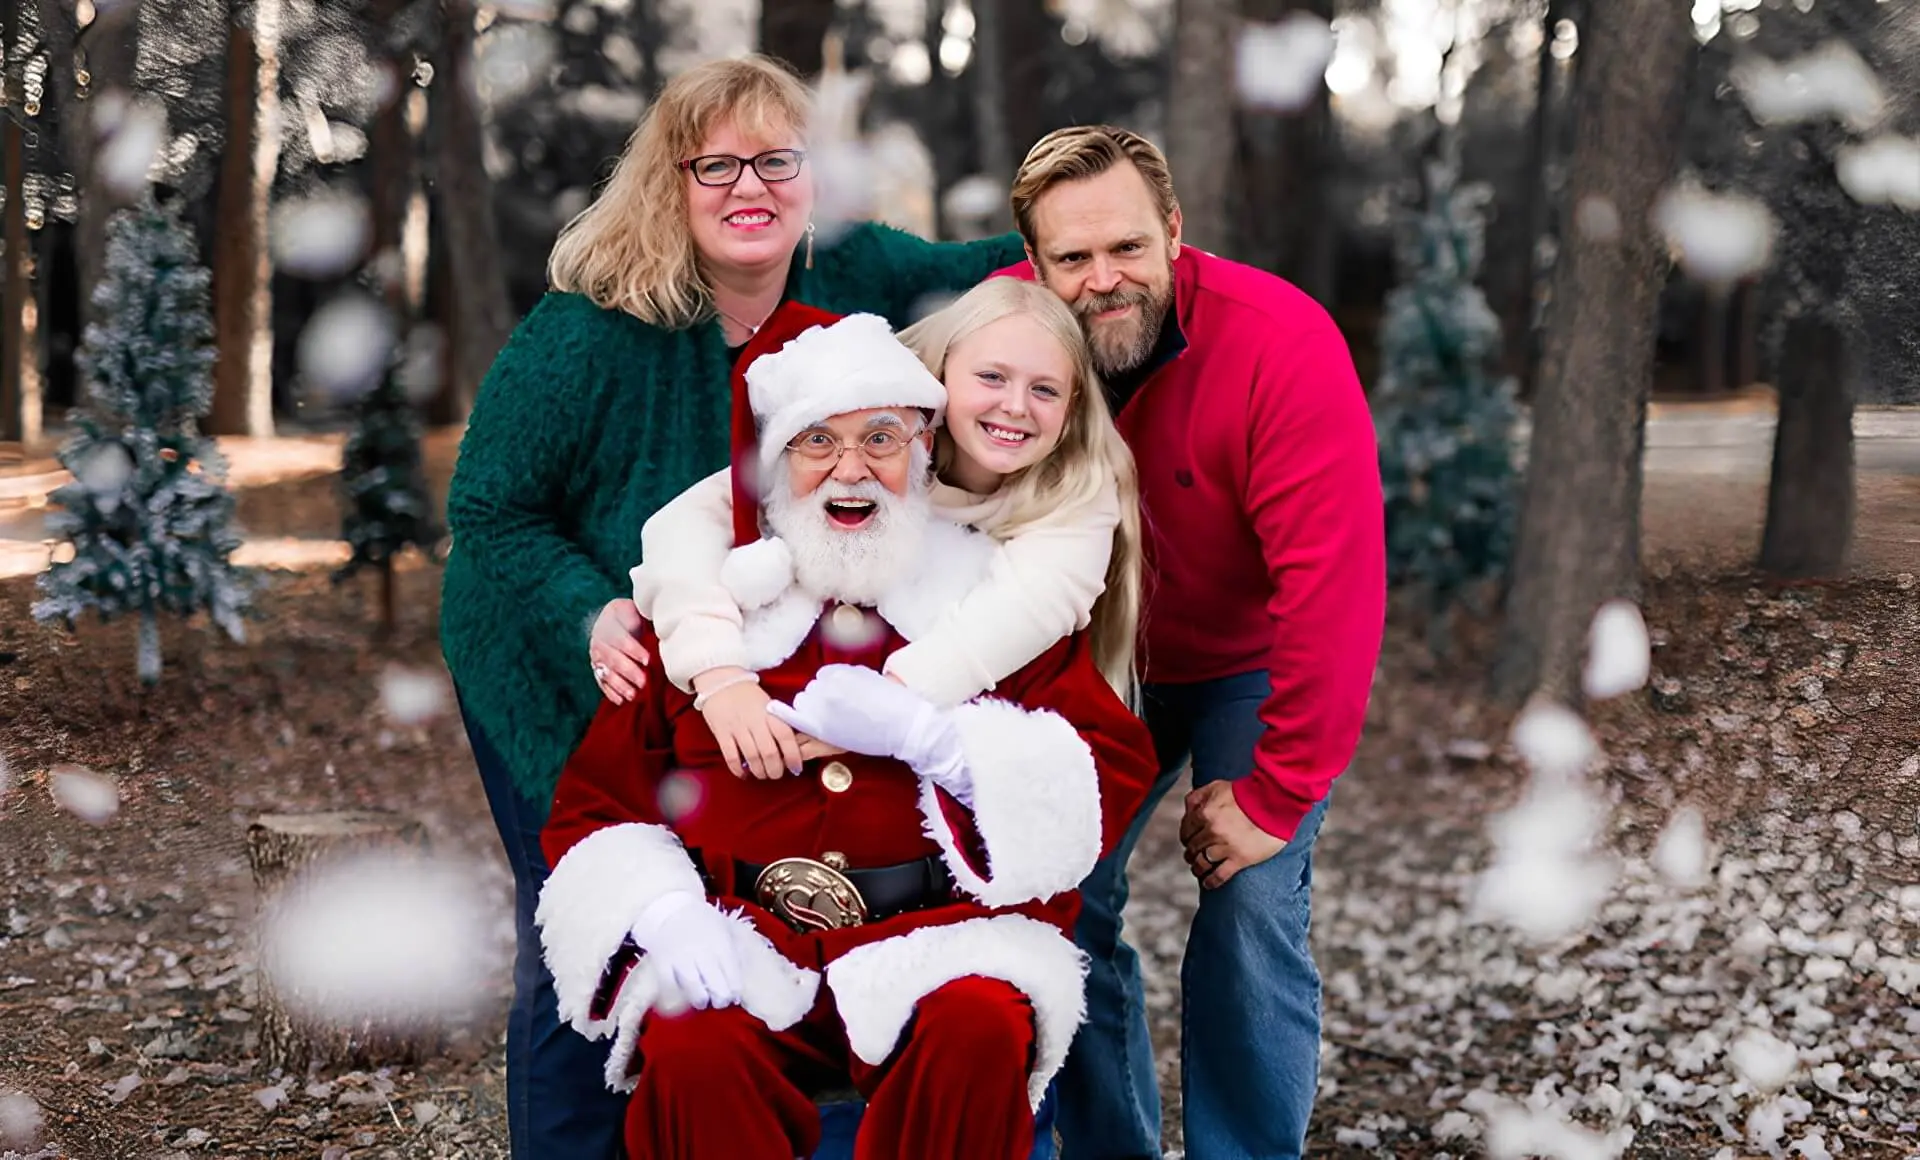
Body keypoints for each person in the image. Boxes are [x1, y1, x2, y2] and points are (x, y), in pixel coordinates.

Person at [440, 55, 1027, 1157]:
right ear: (672, 179)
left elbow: (990, 268)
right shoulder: (587, 330)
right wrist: (588, 610)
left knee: (716, 930)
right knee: (591, 920)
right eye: (717, 163)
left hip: (710, 661)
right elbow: (489, 510)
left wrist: (1118, 261)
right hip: (559, 653)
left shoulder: (858, 267)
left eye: (776, 160)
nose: (747, 185)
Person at [533, 305, 1159, 1159]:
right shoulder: (707, 606)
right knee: (692, 1041)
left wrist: (944, 746)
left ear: (924, 448)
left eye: (881, 438)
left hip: (939, 939)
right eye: (816, 442)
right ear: (772, 463)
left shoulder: (990, 600)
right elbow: (597, 807)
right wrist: (668, 912)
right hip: (743, 933)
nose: (850, 470)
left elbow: (1104, 768)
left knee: (978, 1025)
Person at [1000, 126, 1388, 1159]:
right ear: (1032, 264)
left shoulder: (1280, 343)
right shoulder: (1002, 338)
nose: (1102, 280)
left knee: (1254, 897)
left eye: (1126, 247)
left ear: (1174, 230)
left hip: (1245, 659)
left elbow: (1333, 586)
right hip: (1089, 658)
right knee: (1051, 893)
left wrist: (1276, 788)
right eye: (1071, 259)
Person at [630, 277, 1144, 793]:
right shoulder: (879, 419)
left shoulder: (1080, 486)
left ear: (1073, 403)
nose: (1015, 405)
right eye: (991, 377)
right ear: (939, 375)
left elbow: (1032, 605)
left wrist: (888, 708)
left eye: (1045, 389)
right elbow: (689, 520)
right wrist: (717, 673)